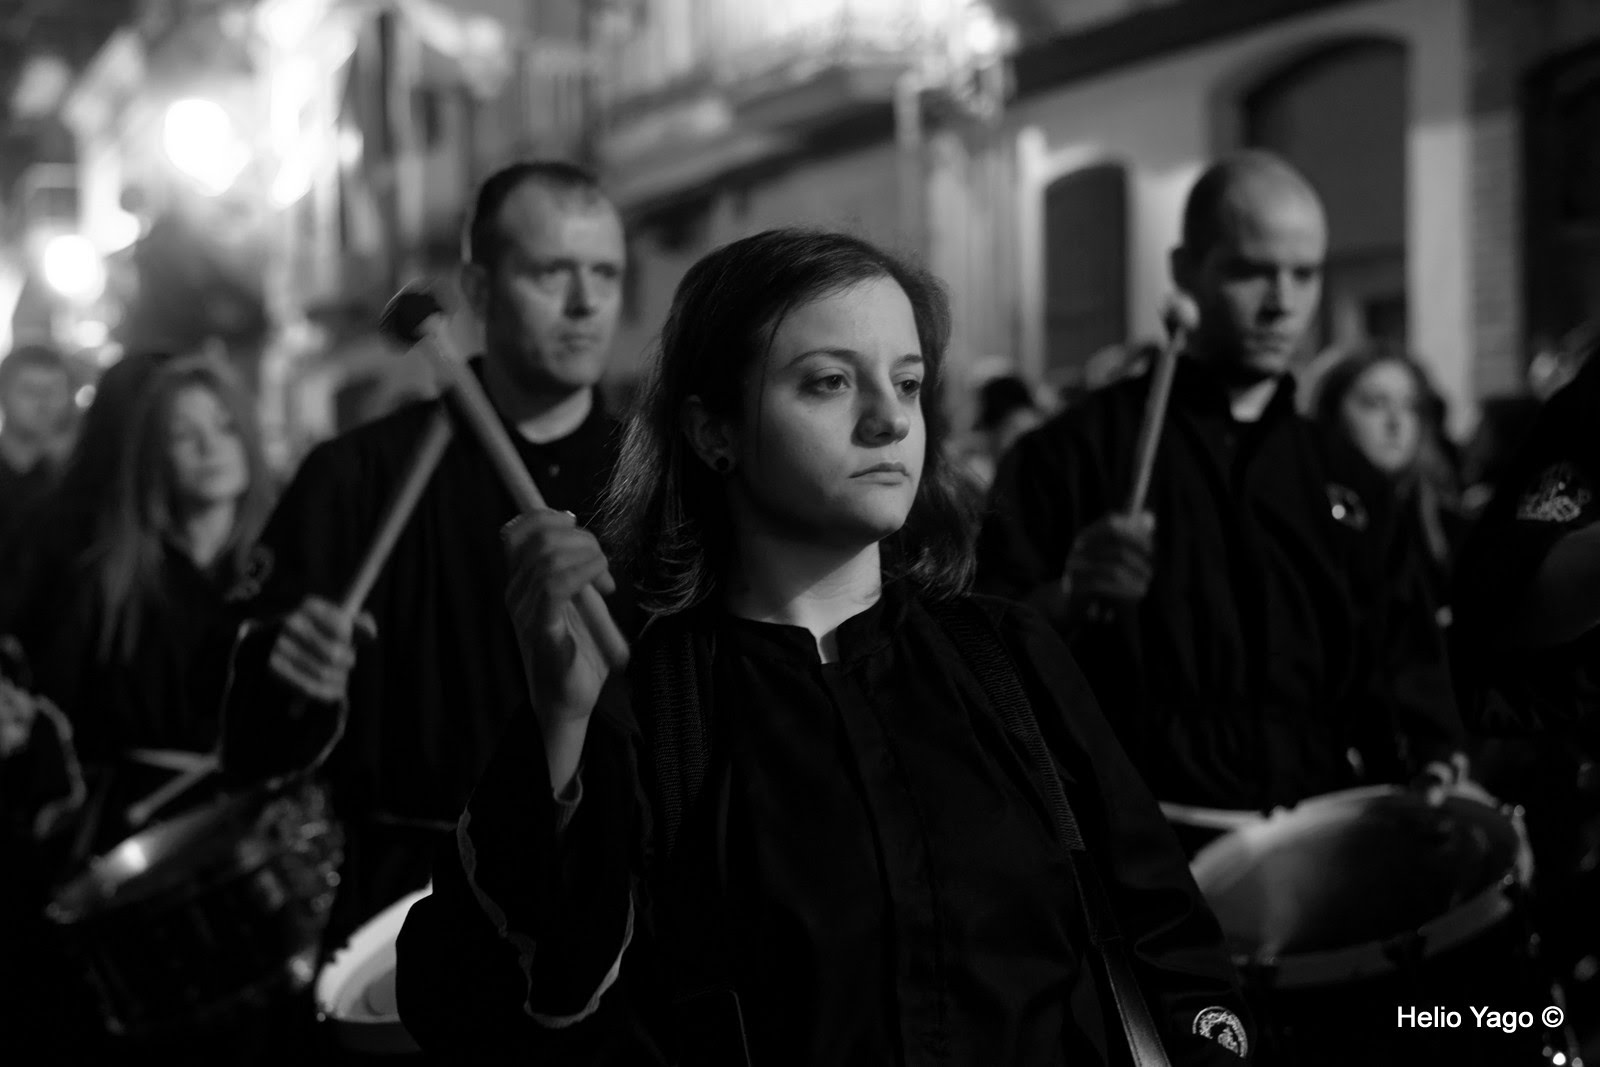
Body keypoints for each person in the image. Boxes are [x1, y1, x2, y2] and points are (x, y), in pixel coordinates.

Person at [394, 228, 1251, 1066]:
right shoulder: (649, 707)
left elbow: (1173, 945)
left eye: (907, 382)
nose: (889, 420)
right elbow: (474, 1002)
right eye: (830, 381)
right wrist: (557, 728)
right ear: (714, 432)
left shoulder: (1007, 656)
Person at [976, 151, 1466, 822]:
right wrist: (1067, 597)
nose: (1282, 304)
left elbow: (1404, 659)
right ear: (1185, 270)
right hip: (1139, 839)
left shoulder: (1345, 476)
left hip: (1314, 832)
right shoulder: (1072, 453)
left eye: (1304, 274)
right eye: (1250, 271)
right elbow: (983, 649)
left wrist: (1434, 754)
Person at [220, 160, 633, 950]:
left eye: (605, 274)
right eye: (552, 273)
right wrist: (289, 680)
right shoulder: (355, 478)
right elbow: (250, 754)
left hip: (618, 891)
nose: (586, 303)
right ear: (478, 288)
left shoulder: (667, 480)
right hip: (412, 907)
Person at [1312, 343, 1469, 621]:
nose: (1396, 422)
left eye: (1410, 406)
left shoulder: (1445, 528)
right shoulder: (1308, 514)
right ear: (1333, 411)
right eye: (1376, 403)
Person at [0, 342, 73, 546]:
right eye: (30, 391)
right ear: (3, 394)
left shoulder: (71, 479)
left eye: (53, 391)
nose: (43, 403)